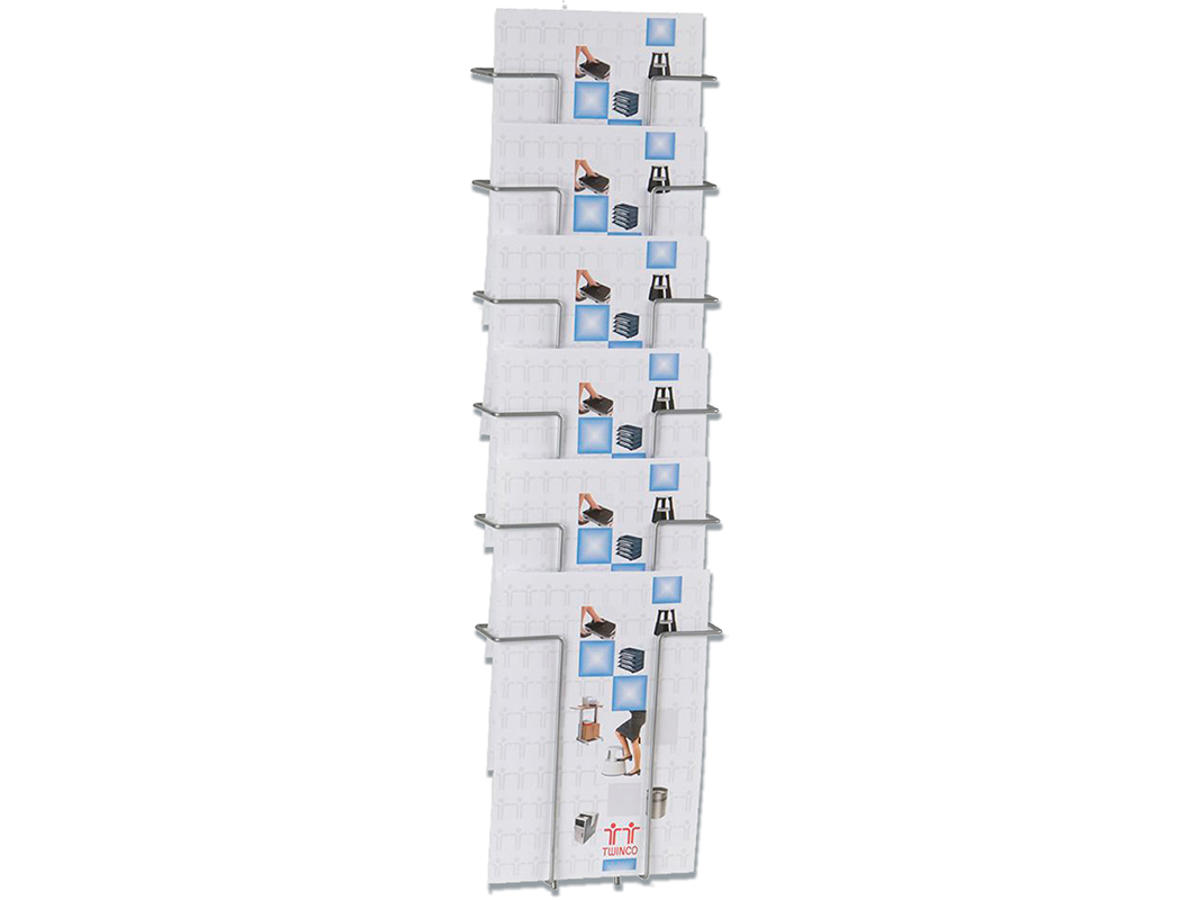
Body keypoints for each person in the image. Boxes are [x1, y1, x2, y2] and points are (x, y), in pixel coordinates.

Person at [615, 709, 646, 776]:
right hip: (635, 717)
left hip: (639, 717)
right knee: (618, 732)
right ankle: (628, 753)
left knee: (634, 741)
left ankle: (637, 768)